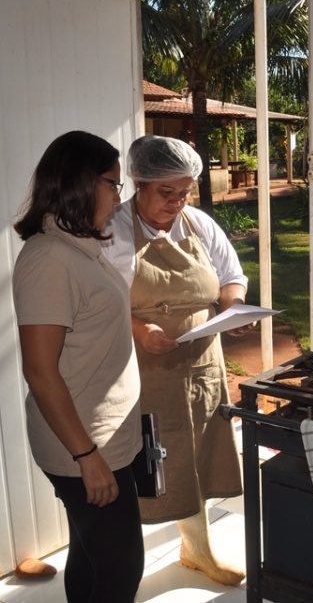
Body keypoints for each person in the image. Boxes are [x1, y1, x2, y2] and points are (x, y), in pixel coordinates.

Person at [102, 135, 249, 586]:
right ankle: (117, 560)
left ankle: (197, 548)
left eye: (184, 191)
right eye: (166, 192)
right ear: (137, 182)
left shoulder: (199, 224)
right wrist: (140, 329)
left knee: (200, 451)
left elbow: (231, 275)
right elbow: (99, 302)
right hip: (139, 365)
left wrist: (233, 307)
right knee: (140, 458)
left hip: (201, 363)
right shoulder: (111, 229)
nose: (177, 202)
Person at [13, 131, 144, 603]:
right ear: (84, 184)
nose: (118, 196)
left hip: (102, 437)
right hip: (84, 445)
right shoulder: (50, 258)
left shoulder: (79, 249)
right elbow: (40, 371)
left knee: (92, 559)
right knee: (120, 571)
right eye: (114, 184)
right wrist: (87, 457)